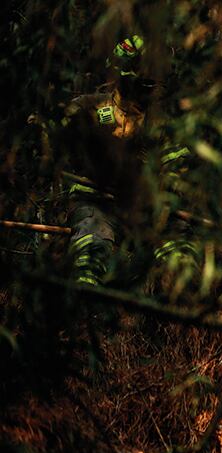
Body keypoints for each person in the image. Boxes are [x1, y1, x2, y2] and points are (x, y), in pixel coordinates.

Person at [62, 35, 193, 284]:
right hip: (97, 203)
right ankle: (87, 298)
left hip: (144, 210)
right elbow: (60, 141)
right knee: (91, 244)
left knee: (179, 247)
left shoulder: (163, 123)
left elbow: (175, 170)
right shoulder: (88, 108)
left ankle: (176, 293)